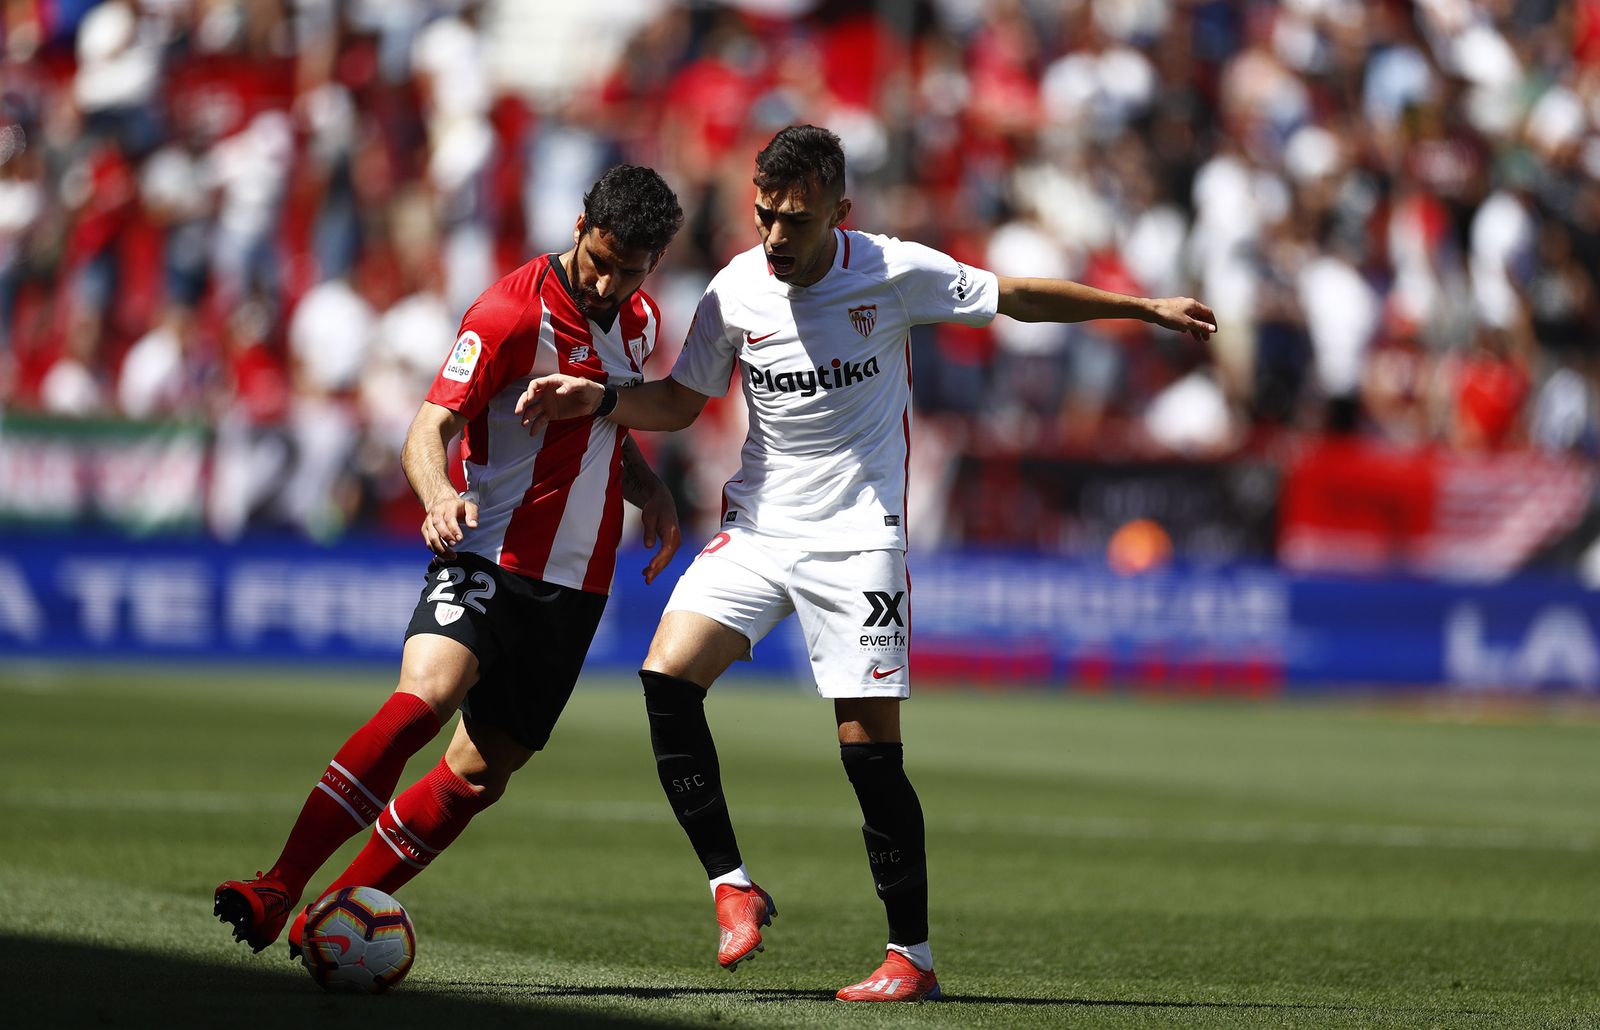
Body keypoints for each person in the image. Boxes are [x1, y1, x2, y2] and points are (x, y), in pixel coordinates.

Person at [516, 126, 1217, 1003]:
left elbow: (1019, 299)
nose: (775, 236)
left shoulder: (890, 270)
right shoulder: (735, 291)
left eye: (796, 221)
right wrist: (604, 398)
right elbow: (681, 404)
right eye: (765, 214)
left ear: (839, 215)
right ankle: (731, 886)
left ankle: (911, 958)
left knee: (868, 755)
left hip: (859, 538)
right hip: (761, 529)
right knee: (665, 679)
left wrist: (1141, 308)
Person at [214, 164, 686, 956]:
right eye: (600, 260)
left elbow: (608, 423)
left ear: (652, 264)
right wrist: (438, 497)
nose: (608, 283)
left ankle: (324, 916)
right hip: (489, 556)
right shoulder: (506, 315)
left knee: (477, 776)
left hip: (576, 590)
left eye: (628, 270)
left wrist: (651, 490)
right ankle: (278, 883)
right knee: (421, 701)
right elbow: (425, 430)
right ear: (579, 228)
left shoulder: (640, 319)